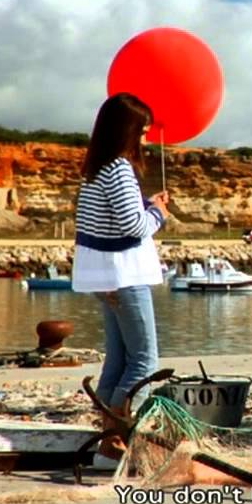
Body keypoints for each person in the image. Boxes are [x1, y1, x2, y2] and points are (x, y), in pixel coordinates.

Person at [72, 93, 170, 463]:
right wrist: (158, 214)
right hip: (125, 275)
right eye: (142, 131)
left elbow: (112, 220)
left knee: (117, 360)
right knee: (144, 361)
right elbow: (133, 227)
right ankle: (118, 440)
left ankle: (106, 443)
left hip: (103, 276)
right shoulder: (119, 169)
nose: (145, 138)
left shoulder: (96, 169)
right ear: (128, 131)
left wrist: (148, 206)